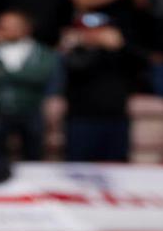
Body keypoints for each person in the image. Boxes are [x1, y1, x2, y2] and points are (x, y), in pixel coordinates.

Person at [60, 13, 146, 162]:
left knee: (117, 167)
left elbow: (143, 64)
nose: (94, 34)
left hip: (116, 119)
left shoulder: (119, 53)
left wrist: (122, 46)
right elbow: (79, 68)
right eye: (87, 30)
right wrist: (96, 48)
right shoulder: (74, 52)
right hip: (82, 121)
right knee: (78, 167)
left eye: (99, 30)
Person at [0, 11, 61, 162]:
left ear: (26, 28)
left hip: (31, 111)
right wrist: (24, 75)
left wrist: (4, 74)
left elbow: (40, 77)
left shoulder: (42, 52)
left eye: (11, 26)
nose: (5, 30)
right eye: (2, 26)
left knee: (33, 155)